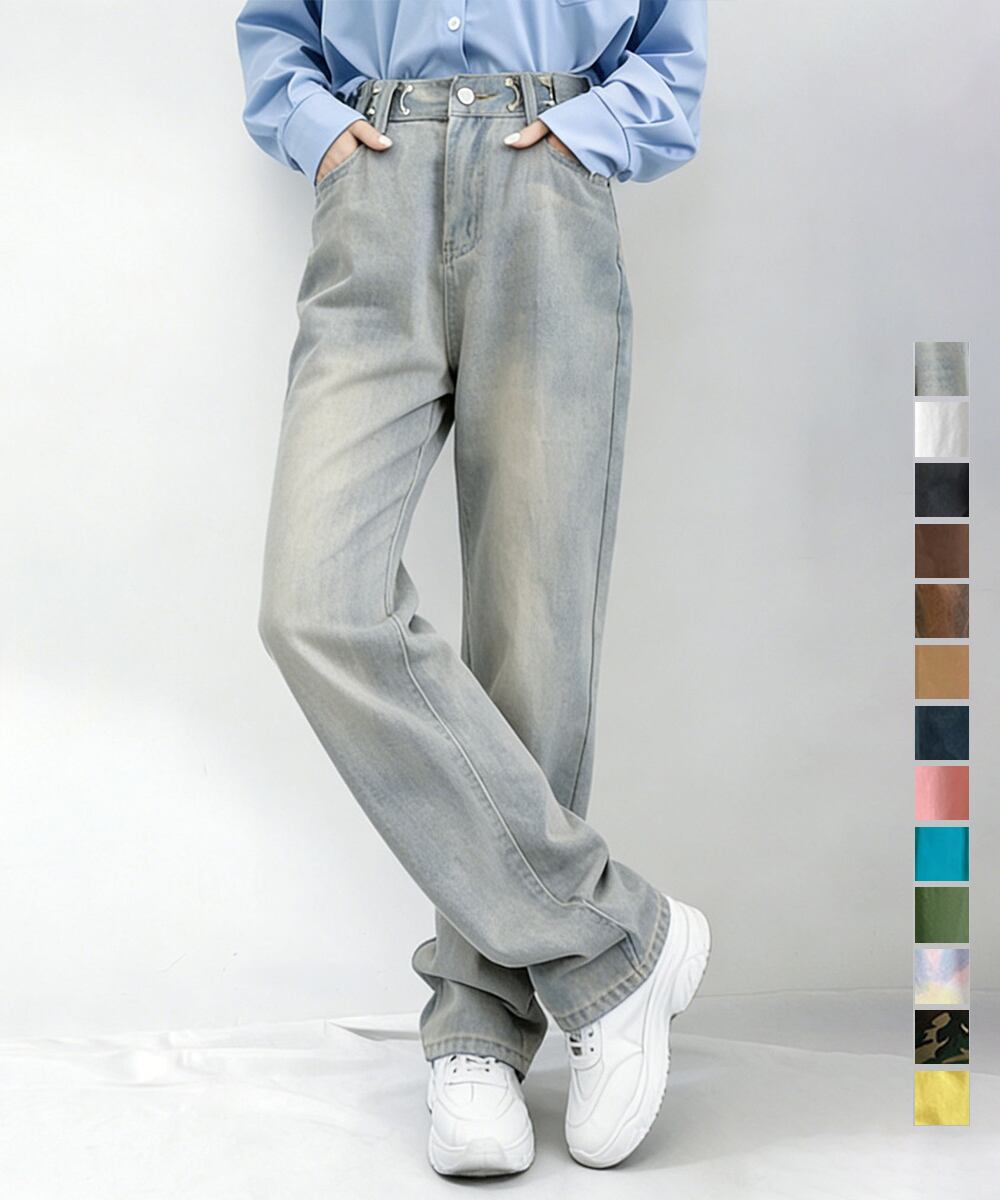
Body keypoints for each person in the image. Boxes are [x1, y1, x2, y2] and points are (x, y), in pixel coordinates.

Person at [235, 0, 709, 1177]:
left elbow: (671, 55)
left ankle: (479, 1030)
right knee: (313, 601)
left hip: (544, 186)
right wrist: (321, 132)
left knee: (531, 631)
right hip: (374, 191)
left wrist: (583, 134)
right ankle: (615, 945)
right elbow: (275, 27)